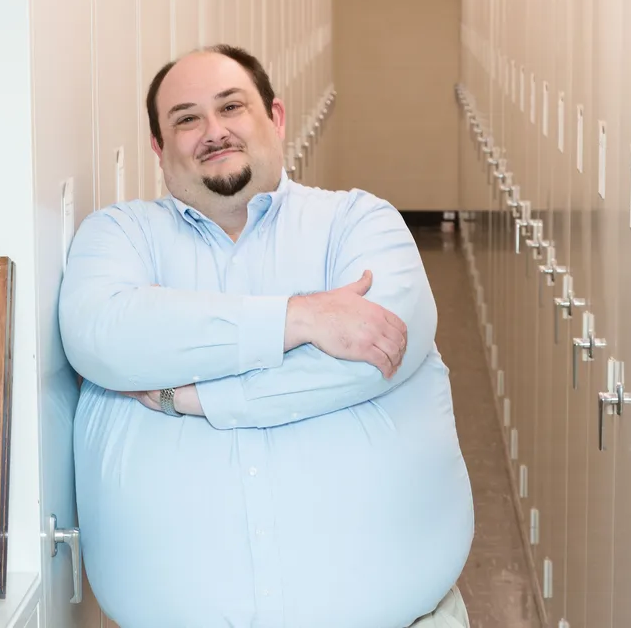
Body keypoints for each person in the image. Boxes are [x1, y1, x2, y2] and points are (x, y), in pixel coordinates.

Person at [57, 44, 475, 628]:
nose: (213, 130)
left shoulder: (358, 222)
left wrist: (192, 398)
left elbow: (382, 347)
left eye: (232, 107)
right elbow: (104, 338)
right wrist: (298, 319)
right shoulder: (120, 235)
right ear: (159, 146)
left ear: (275, 118)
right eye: (186, 118)